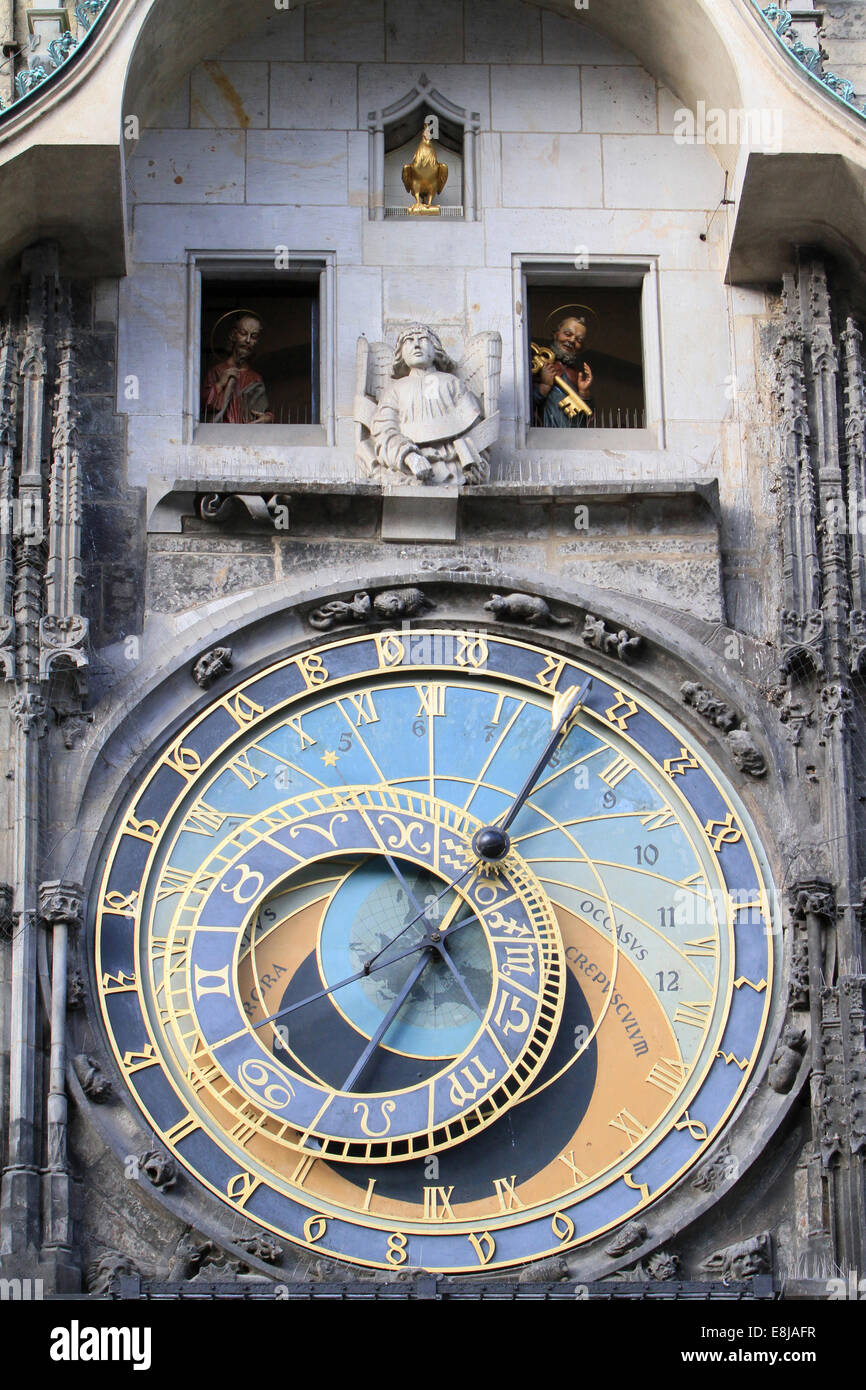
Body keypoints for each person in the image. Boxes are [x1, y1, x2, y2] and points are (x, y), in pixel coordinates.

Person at [370, 325, 487, 484]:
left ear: (436, 349)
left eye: (423, 339)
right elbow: (384, 432)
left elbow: (476, 428)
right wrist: (409, 457)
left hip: (454, 469)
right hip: (408, 471)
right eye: (409, 341)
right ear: (401, 353)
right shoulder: (394, 390)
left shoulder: (452, 383)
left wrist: (476, 463)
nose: (416, 345)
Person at [202, 312, 274, 423]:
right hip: (222, 435)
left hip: (247, 435)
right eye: (243, 333)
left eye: (253, 336)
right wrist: (220, 384)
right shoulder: (217, 371)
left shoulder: (255, 378)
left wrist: (268, 417)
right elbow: (204, 405)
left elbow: (262, 409)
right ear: (233, 335)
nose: (248, 340)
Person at [533, 315, 594, 428]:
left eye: (578, 340)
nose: (571, 341)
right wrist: (544, 386)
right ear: (556, 334)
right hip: (546, 434)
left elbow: (587, 415)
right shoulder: (540, 367)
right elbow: (524, 404)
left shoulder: (576, 374)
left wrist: (583, 393)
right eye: (567, 334)